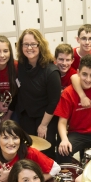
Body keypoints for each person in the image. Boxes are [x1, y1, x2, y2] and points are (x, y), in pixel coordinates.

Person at [12, 28, 62, 160]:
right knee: (28, 152)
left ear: (40, 45)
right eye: (26, 44)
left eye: (33, 44)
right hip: (26, 116)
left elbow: (54, 102)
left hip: (45, 117)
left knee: (45, 153)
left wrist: (43, 125)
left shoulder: (51, 71)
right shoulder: (21, 66)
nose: (29, 48)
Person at [0, 35, 18, 128]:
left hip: (13, 106)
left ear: (10, 52)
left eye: (5, 51)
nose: (2, 55)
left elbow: (18, 93)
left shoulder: (16, 66)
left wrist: (8, 114)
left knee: (15, 131)